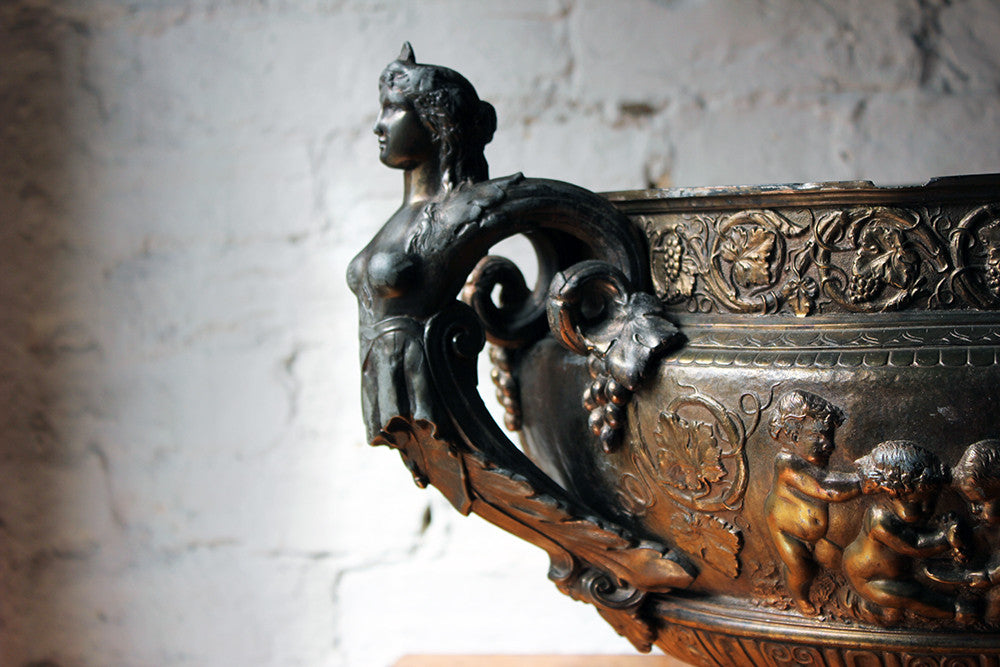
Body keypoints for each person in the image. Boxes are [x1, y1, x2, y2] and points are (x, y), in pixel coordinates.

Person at [346, 43, 498, 446]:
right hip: (395, 407)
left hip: (433, 410)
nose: (379, 126)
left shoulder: (458, 211)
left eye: (392, 109)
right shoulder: (402, 217)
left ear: (435, 121)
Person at [843, 440, 969, 624]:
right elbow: (915, 545)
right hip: (870, 580)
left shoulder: (902, 509)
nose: (926, 510)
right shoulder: (880, 519)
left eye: (931, 501)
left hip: (899, 569)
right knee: (910, 594)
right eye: (916, 504)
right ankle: (954, 610)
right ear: (892, 494)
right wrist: (944, 537)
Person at [764, 390, 860, 615]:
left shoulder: (814, 462)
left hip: (818, 534)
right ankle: (799, 597)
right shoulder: (787, 463)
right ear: (794, 435)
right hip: (789, 533)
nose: (829, 445)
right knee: (800, 569)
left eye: (830, 437)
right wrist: (863, 482)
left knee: (837, 560)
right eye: (819, 436)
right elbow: (825, 489)